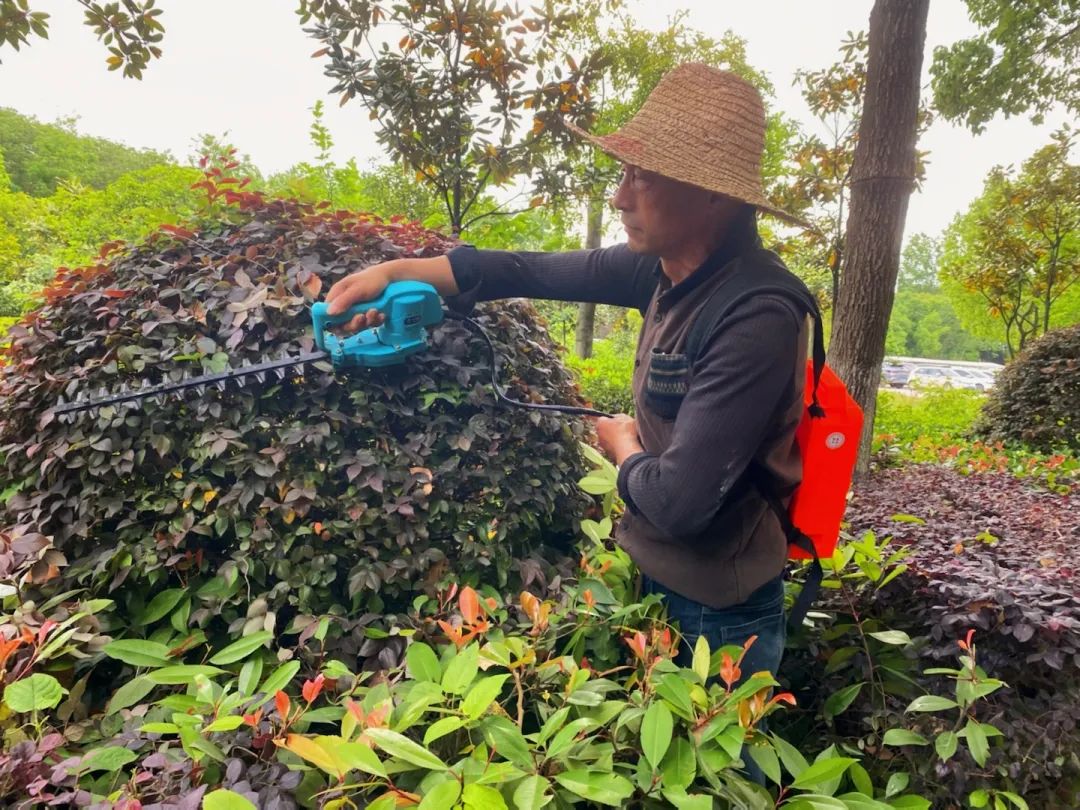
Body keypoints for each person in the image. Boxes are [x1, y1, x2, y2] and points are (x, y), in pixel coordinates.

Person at [325, 62, 812, 732]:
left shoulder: (755, 315)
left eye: (643, 177)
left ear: (712, 195)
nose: (620, 197)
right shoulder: (662, 270)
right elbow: (523, 269)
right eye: (624, 173)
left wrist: (623, 446)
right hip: (662, 573)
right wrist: (397, 274)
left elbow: (679, 503)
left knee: (726, 769)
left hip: (722, 608)